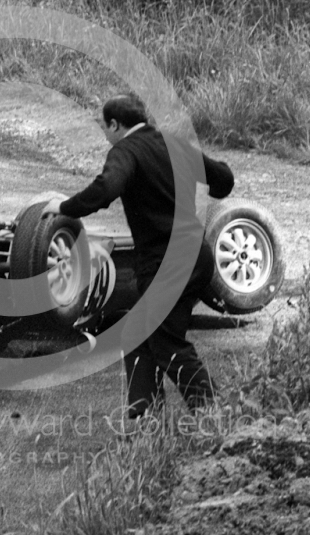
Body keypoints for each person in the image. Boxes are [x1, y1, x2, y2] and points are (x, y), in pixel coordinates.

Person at [42, 94, 234, 418]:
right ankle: (145, 419)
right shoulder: (172, 144)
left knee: (166, 342)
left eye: (104, 127)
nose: (104, 133)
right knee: (137, 334)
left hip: (165, 262)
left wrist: (62, 207)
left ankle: (215, 416)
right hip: (195, 257)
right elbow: (223, 179)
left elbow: (106, 188)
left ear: (116, 124)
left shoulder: (125, 151)